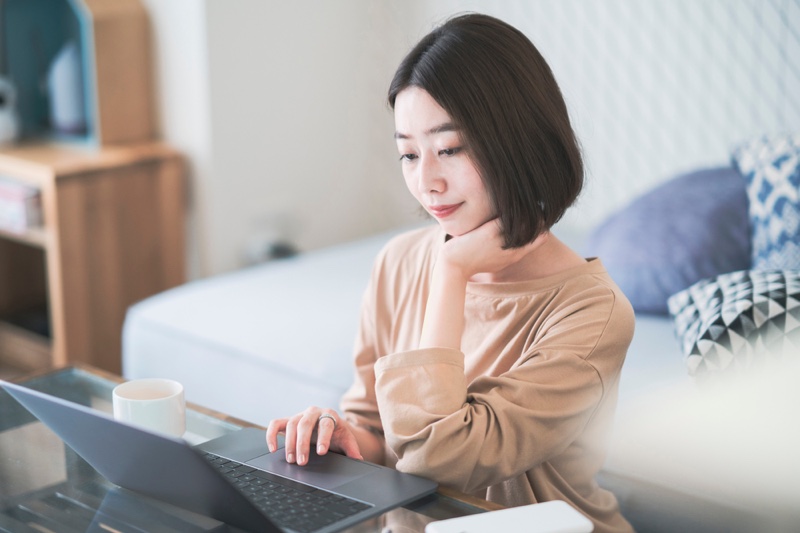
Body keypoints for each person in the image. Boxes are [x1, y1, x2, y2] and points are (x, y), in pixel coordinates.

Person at [267, 12, 635, 533]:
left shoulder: (592, 313)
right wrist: (345, 438)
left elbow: (437, 458)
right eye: (409, 154)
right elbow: (380, 428)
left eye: (449, 149)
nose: (427, 182)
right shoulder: (398, 261)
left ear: (517, 140)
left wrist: (451, 271)